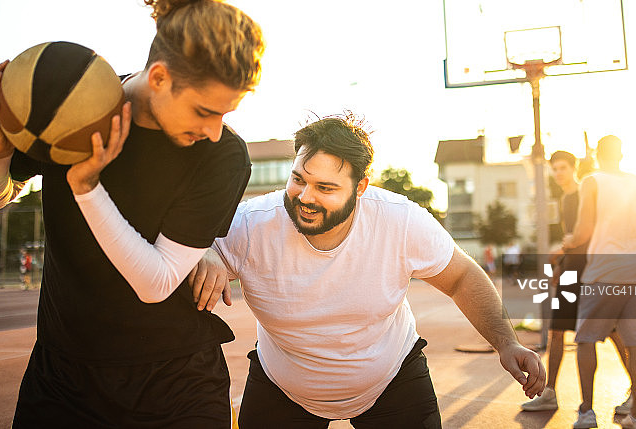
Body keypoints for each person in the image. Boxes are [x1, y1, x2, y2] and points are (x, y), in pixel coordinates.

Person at [0, 0, 264, 428]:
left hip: (176, 380)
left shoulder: (223, 155)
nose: (213, 129)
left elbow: (156, 282)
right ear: (160, 78)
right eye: (204, 111)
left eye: (226, 113)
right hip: (63, 377)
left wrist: (87, 189)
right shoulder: (72, 105)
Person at [193, 115, 546, 428]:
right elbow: (182, 252)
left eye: (325, 188)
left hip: (391, 378)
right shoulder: (251, 224)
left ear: (360, 188)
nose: (305, 197)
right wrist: (203, 250)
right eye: (298, 179)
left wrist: (506, 342)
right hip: (282, 384)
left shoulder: (400, 220)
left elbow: (461, 276)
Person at [563, 136, 636, 429]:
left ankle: (587, 412)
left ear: (597, 154)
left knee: (586, 340)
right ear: (621, 155)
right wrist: (634, 228)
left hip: (604, 271)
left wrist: (567, 241)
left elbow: (583, 231)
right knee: (635, 343)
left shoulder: (592, 181)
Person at [521, 150, 629, 413]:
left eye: (563, 168)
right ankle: (549, 393)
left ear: (574, 168)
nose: (558, 173)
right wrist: (561, 263)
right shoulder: (565, 198)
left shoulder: (583, 194)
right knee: (557, 330)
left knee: (613, 332)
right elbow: (573, 238)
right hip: (572, 272)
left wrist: (563, 252)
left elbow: (588, 235)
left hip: (590, 273)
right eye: (555, 169)